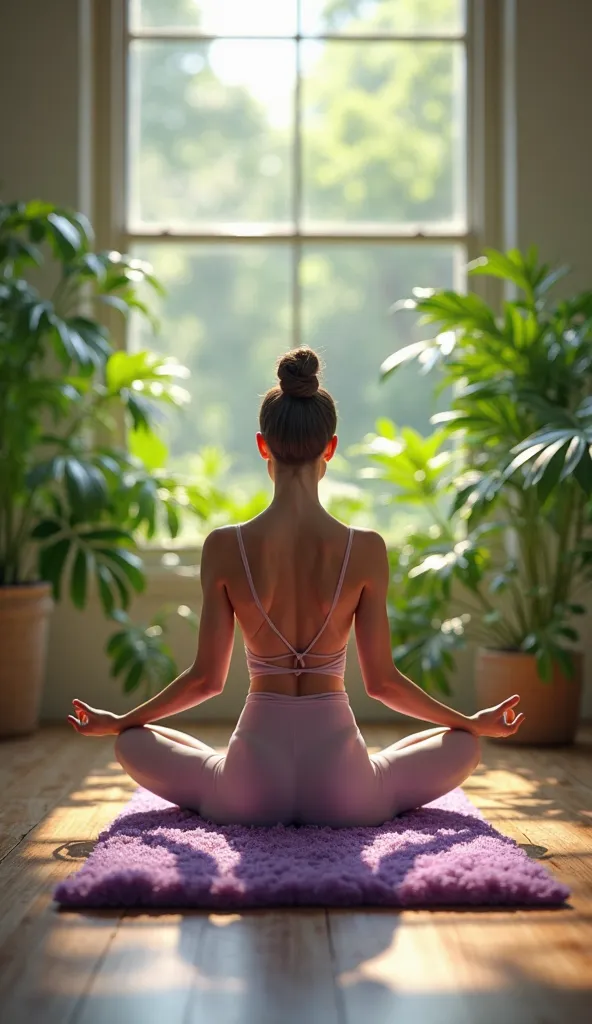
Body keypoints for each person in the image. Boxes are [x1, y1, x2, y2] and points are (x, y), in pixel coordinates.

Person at [68, 347, 525, 827]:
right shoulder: (365, 549)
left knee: (133, 740)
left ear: (263, 445)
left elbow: (207, 680)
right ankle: (413, 760)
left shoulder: (225, 547)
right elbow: (383, 684)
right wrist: (469, 721)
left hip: (248, 789)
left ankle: (209, 777)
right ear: (330, 447)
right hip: (346, 791)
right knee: (462, 744)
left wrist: (120, 720)